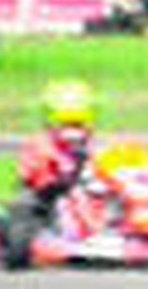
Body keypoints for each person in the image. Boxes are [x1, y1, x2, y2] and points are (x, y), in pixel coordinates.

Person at [15, 79, 97, 217]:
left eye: (78, 125)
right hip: (45, 207)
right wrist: (59, 175)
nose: (73, 134)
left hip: (83, 205)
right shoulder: (39, 146)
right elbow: (33, 180)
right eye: (67, 125)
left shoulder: (89, 146)